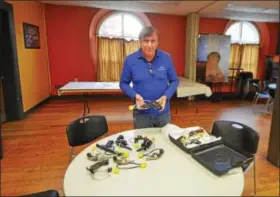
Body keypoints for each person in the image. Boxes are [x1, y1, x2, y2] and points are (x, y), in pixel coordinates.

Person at [119, 26, 179, 129]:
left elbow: (174, 81)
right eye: (146, 41)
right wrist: (134, 96)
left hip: (163, 113)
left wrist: (166, 96)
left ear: (157, 42)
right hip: (141, 114)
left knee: (164, 142)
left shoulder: (166, 58)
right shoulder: (130, 60)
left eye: (153, 41)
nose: (149, 45)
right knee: (142, 143)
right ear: (140, 42)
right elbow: (123, 83)